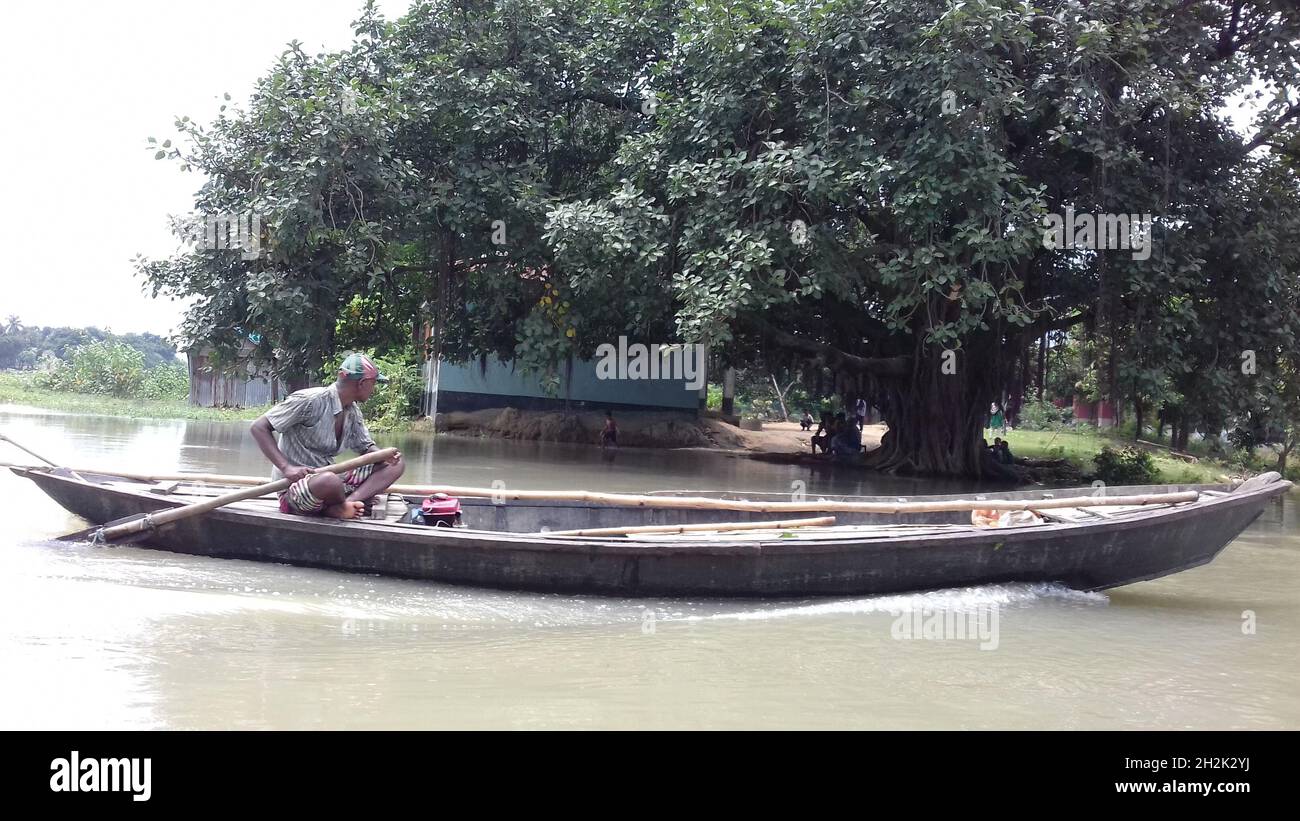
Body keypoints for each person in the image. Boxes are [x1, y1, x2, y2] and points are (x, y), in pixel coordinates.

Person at [249, 352, 405, 520]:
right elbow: (259, 427)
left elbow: (366, 447)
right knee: (329, 481)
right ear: (362, 383)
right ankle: (341, 506)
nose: (373, 390)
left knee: (396, 465)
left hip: (333, 484)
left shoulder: (352, 411)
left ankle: (345, 505)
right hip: (299, 489)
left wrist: (383, 456)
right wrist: (287, 468)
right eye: (373, 384)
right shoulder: (310, 400)